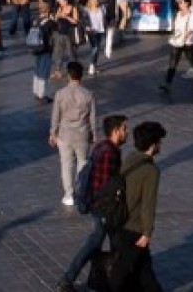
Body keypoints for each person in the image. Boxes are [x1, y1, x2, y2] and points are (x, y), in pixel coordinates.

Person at [57, 114, 128, 292]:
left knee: (112, 244)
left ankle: (109, 280)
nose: (127, 132)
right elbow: (106, 187)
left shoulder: (102, 147)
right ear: (116, 130)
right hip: (104, 208)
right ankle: (67, 280)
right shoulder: (108, 153)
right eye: (125, 128)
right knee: (94, 244)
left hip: (100, 207)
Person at [110, 121, 167, 292]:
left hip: (121, 222)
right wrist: (147, 232)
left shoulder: (130, 158)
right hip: (135, 229)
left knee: (143, 272)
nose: (161, 144)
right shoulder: (151, 171)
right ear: (153, 144)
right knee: (121, 274)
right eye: (160, 141)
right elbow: (148, 204)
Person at [50, 61, 97, 207]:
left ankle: (68, 194)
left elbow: (55, 116)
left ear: (69, 75)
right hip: (82, 133)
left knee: (66, 165)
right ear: (81, 76)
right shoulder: (89, 94)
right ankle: (81, 191)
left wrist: (53, 133)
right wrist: (94, 135)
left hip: (64, 134)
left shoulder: (60, 94)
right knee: (82, 164)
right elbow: (93, 118)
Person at [159, 0, 193, 93]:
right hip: (177, 42)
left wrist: (187, 34)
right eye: (178, 2)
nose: (179, 4)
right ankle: (167, 84)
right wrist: (175, 36)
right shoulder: (178, 14)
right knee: (172, 64)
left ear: (186, 3)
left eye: (180, 2)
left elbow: (192, 27)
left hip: (188, 42)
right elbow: (177, 28)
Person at [30, 3, 56, 105]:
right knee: (43, 72)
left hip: (36, 49)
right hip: (45, 50)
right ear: (48, 10)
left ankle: (36, 91)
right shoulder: (49, 22)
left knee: (37, 70)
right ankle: (42, 95)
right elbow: (56, 27)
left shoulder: (36, 21)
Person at [50, 0, 79, 80]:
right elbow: (56, 18)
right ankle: (57, 71)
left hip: (69, 34)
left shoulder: (73, 9)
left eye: (61, 1)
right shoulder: (59, 8)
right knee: (58, 53)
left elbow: (75, 21)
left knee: (71, 53)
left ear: (66, 1)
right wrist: (56, 17)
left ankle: (74, 72)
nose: (60, 2)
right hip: (59, 33)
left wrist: (66, 17)